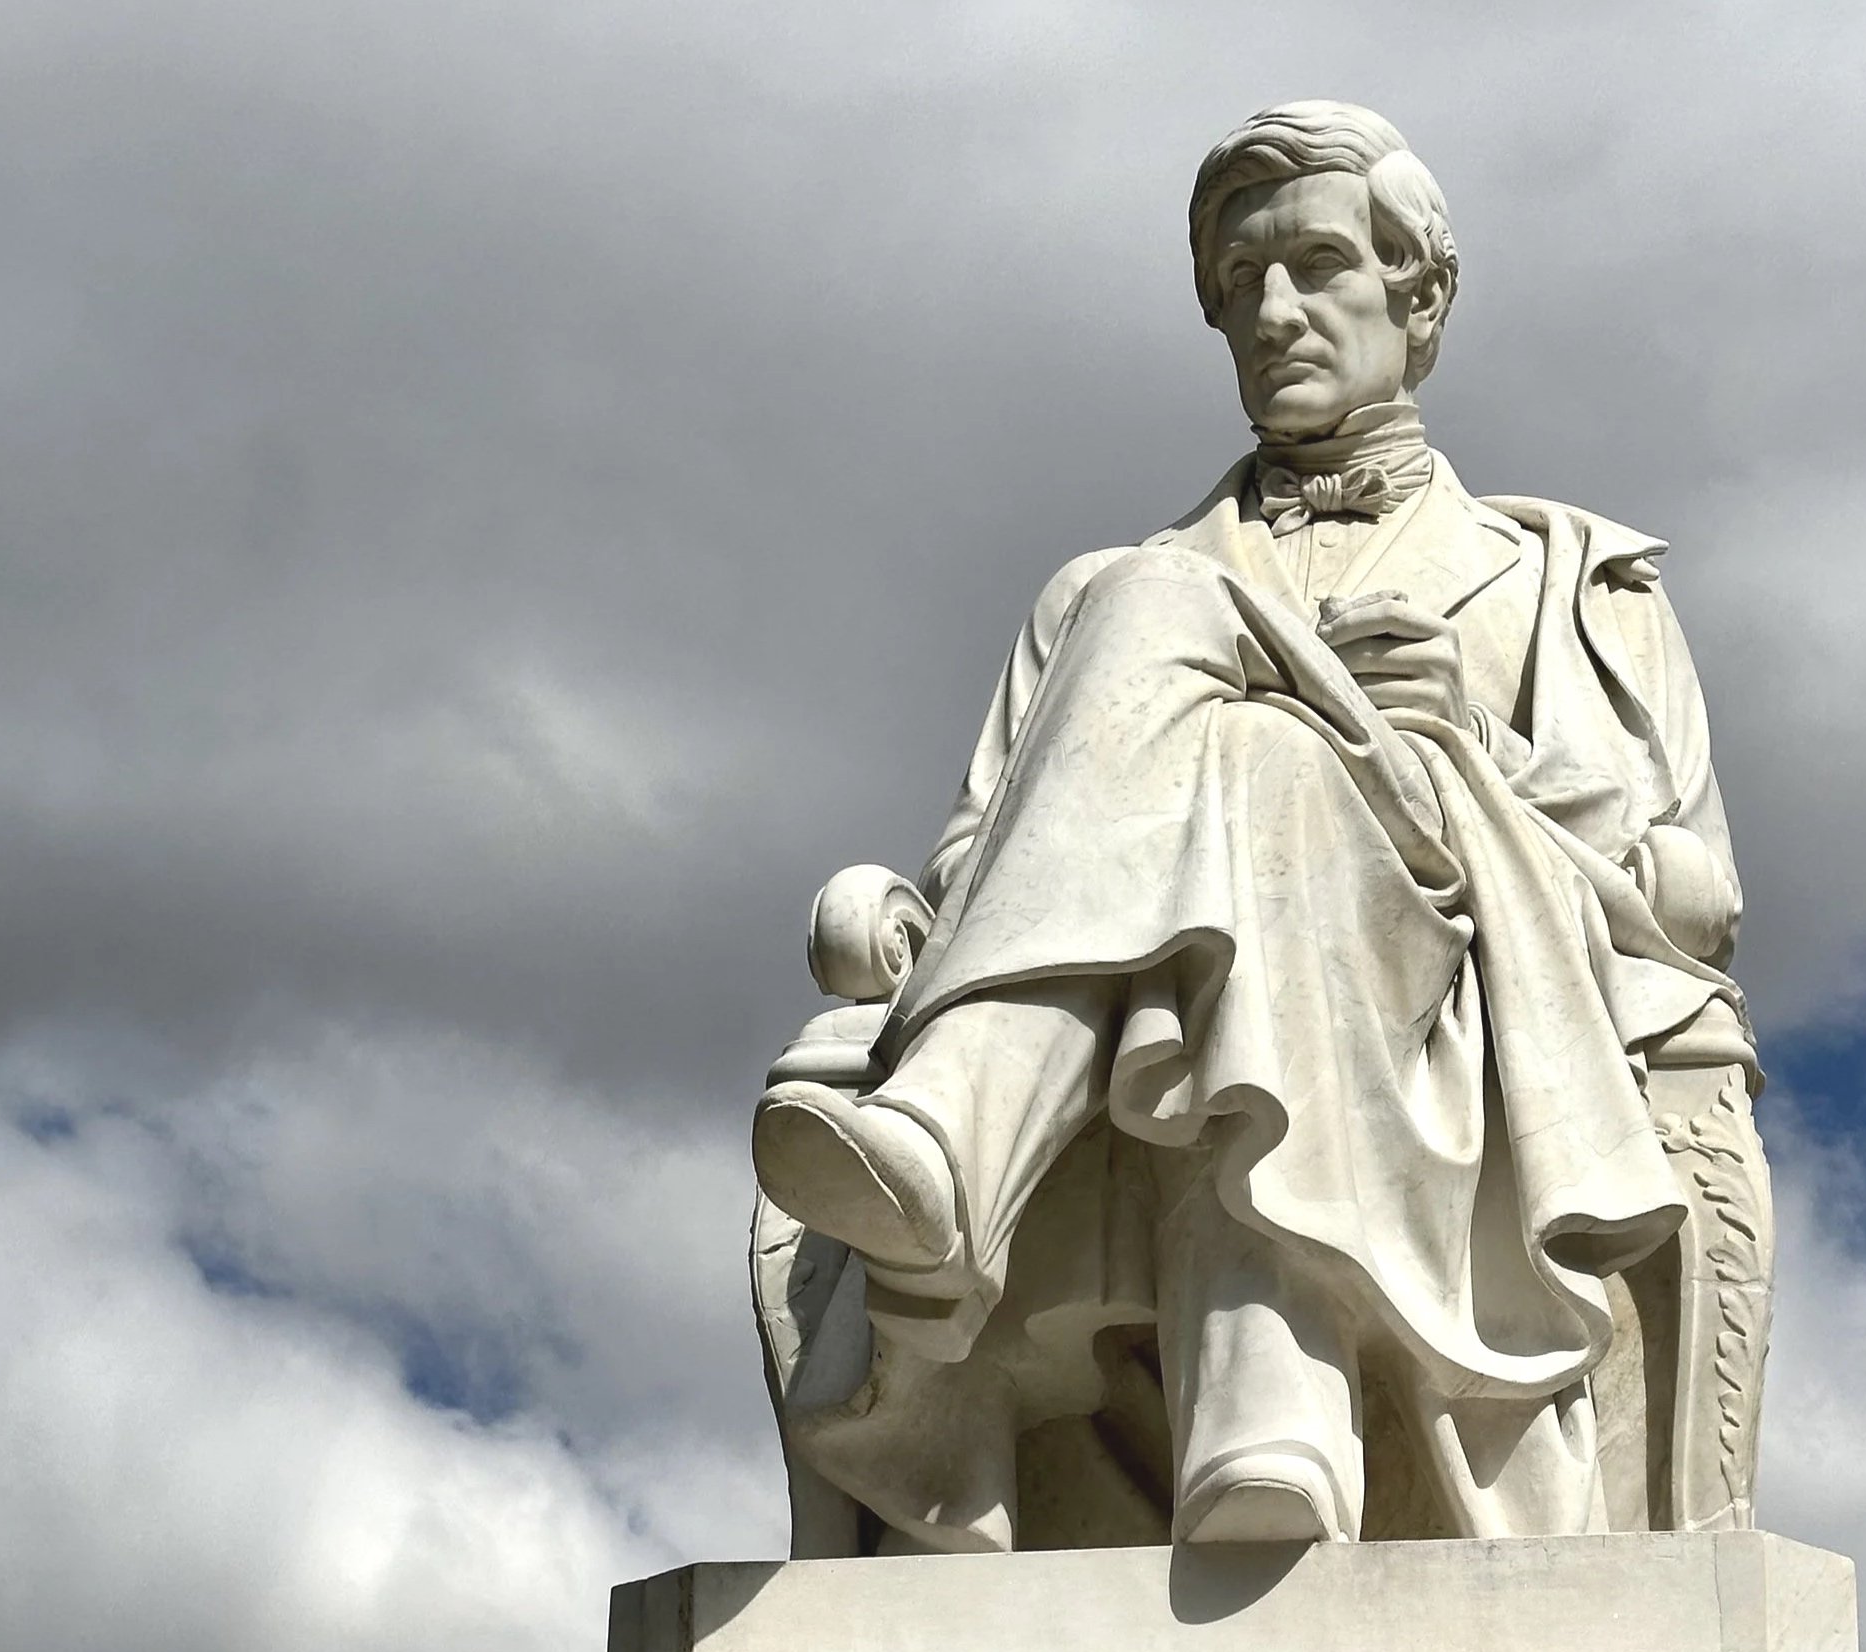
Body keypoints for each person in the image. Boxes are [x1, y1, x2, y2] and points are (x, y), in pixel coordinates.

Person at [755, 101, 1762, 1553]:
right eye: (1242, 283)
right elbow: (988, 860)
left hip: (1461, 971)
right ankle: (1262, 1423)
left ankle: (953, 1151)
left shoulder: (1569, 583)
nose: (1276, 311)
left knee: (1221, 692)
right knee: (1231, 723)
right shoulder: (1096, 596)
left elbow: (1681, 892)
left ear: (1420, 297)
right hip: (1166, 997)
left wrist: (1469, 747)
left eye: (1319, 266)